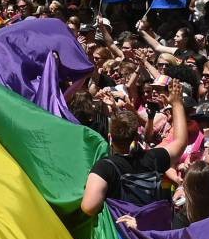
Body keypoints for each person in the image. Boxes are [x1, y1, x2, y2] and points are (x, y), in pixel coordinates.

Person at [81, 80, 188, 215]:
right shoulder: (153, 158)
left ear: (110, 136)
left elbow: (88, 207)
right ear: (135, 136)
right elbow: (181, 141)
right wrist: (177, 104)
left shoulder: (104, 168)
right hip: (151, 229)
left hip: (123, 232)